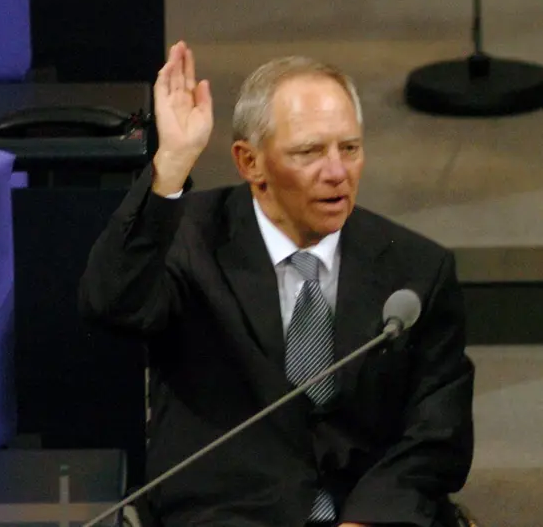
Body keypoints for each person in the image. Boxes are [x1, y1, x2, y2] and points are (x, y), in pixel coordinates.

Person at [79, 42, 475, 527]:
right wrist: (172, 165)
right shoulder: (188, 241)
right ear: (250, 163)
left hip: (370, 511)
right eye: (309, 152)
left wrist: (368, 520)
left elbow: (438, 432)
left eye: (349, 149)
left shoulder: (417, 270)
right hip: (227, 511)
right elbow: (110, 304)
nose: (337, 173)